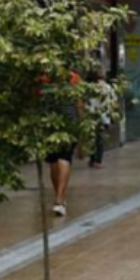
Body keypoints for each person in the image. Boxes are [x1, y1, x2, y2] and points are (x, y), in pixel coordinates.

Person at [42, 69, 83, 218]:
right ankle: (59, 200)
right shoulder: (73, 78)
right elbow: (79, 103)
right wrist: (82, 123)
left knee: (53, 161)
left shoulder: (44, 78)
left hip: (49, 124)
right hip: (69, 124)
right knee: (64, 159)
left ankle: (60, 198)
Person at [86, 69, 115, 170]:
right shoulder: (107, 87)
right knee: (100, 139)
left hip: (90, 116)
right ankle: (98, 161)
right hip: (103, 116)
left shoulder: (88, 88)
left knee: (92, 139)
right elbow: (112, 101)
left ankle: (92, 159)